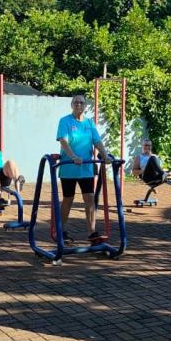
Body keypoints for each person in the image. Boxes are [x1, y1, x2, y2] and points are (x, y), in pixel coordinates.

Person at [56, 93, 109, 244]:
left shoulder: (89, 123)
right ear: (71, 105)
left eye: (81, 103)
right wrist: (73, 156)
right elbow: (63, 141)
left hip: (86, 167)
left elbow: (97, 141)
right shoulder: (65, 121)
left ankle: (92, 232)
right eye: (76, 102)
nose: (78, 105)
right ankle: (61, 231)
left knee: (90, 198)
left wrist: (105, 155)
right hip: (69, 167)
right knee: (68, 198)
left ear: (85, 106)